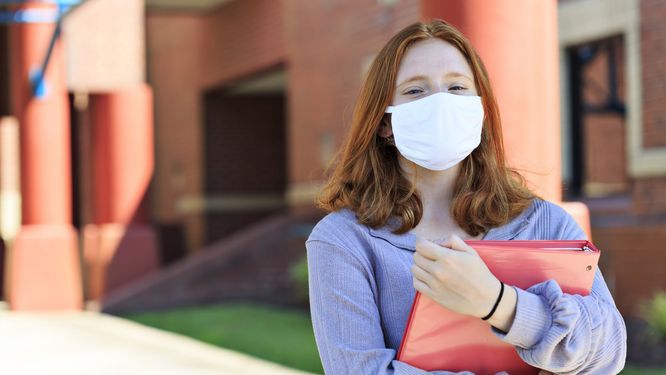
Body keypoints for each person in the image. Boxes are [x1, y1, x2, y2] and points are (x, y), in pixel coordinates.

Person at [305, 19, 627, 374]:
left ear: (480, 109)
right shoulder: (343, 241)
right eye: (415, 91)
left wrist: (497, 302)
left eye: (456, 87)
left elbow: (608, 353)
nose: (441, 103)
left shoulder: (546, 222)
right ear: (385, 123)